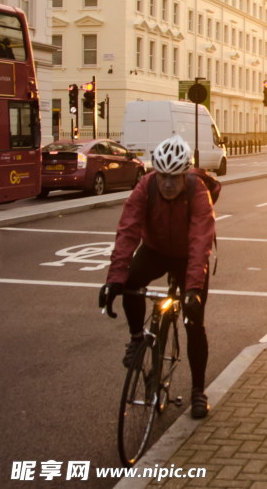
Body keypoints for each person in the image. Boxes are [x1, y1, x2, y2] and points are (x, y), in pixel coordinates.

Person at [98, 135, 216, 418]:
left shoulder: (198, 191)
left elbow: (201, 241)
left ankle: (198, 391)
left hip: (188, 255)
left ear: (184, 174)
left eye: (174, 177)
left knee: (194, 323)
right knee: (129, 283)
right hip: (156, 250)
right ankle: (137, 338)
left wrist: (193, 290)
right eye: (162, 175)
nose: (167, 183)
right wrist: (114, 279)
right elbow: (128, 230)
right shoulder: (145, 187)